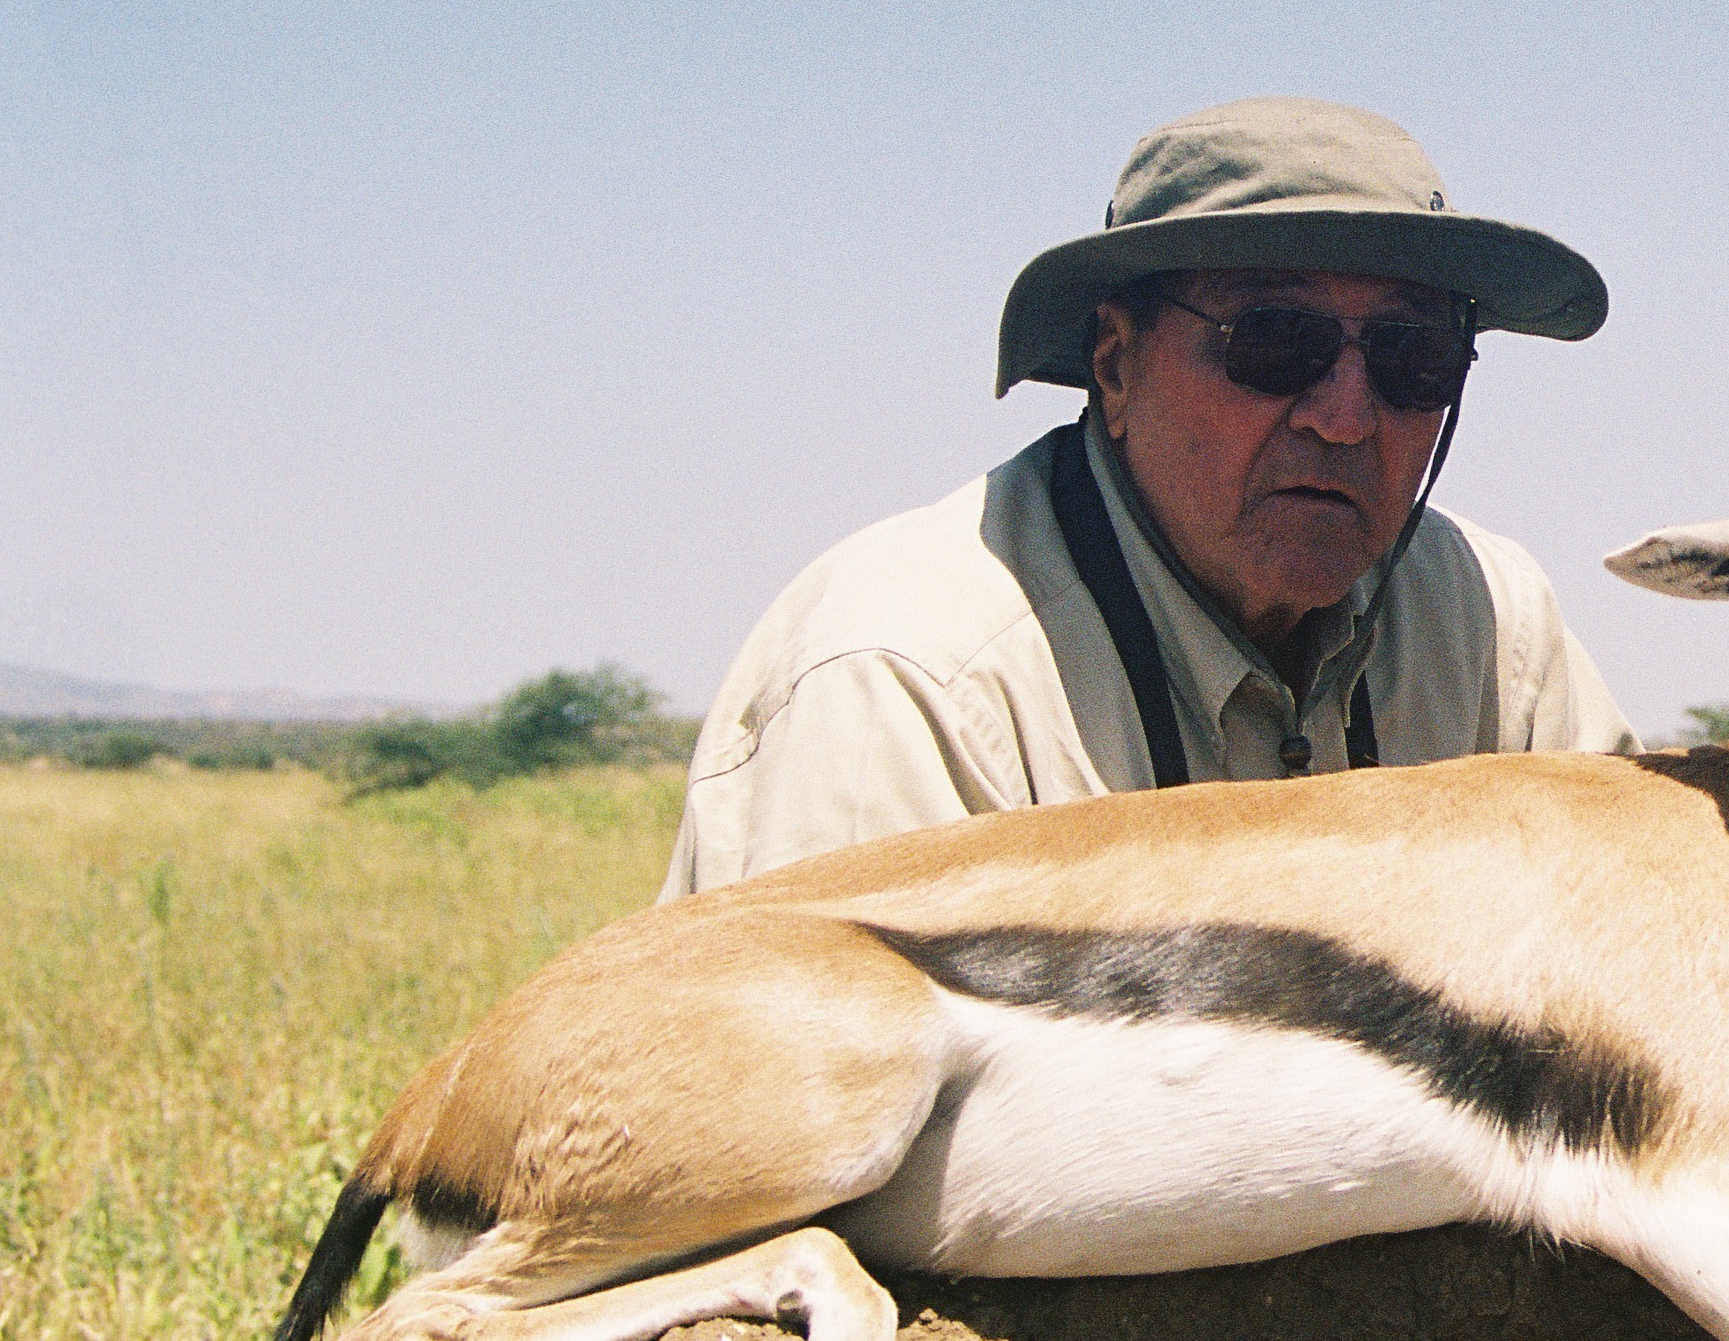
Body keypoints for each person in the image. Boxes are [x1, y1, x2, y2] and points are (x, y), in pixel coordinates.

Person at [664, 96, 1639, 898]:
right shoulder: (912, 679)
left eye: (1411, 355)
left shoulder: (1489, 625)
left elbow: (1640, 944)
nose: (1346, 416)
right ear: (1117, 364)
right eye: (1275, 341)